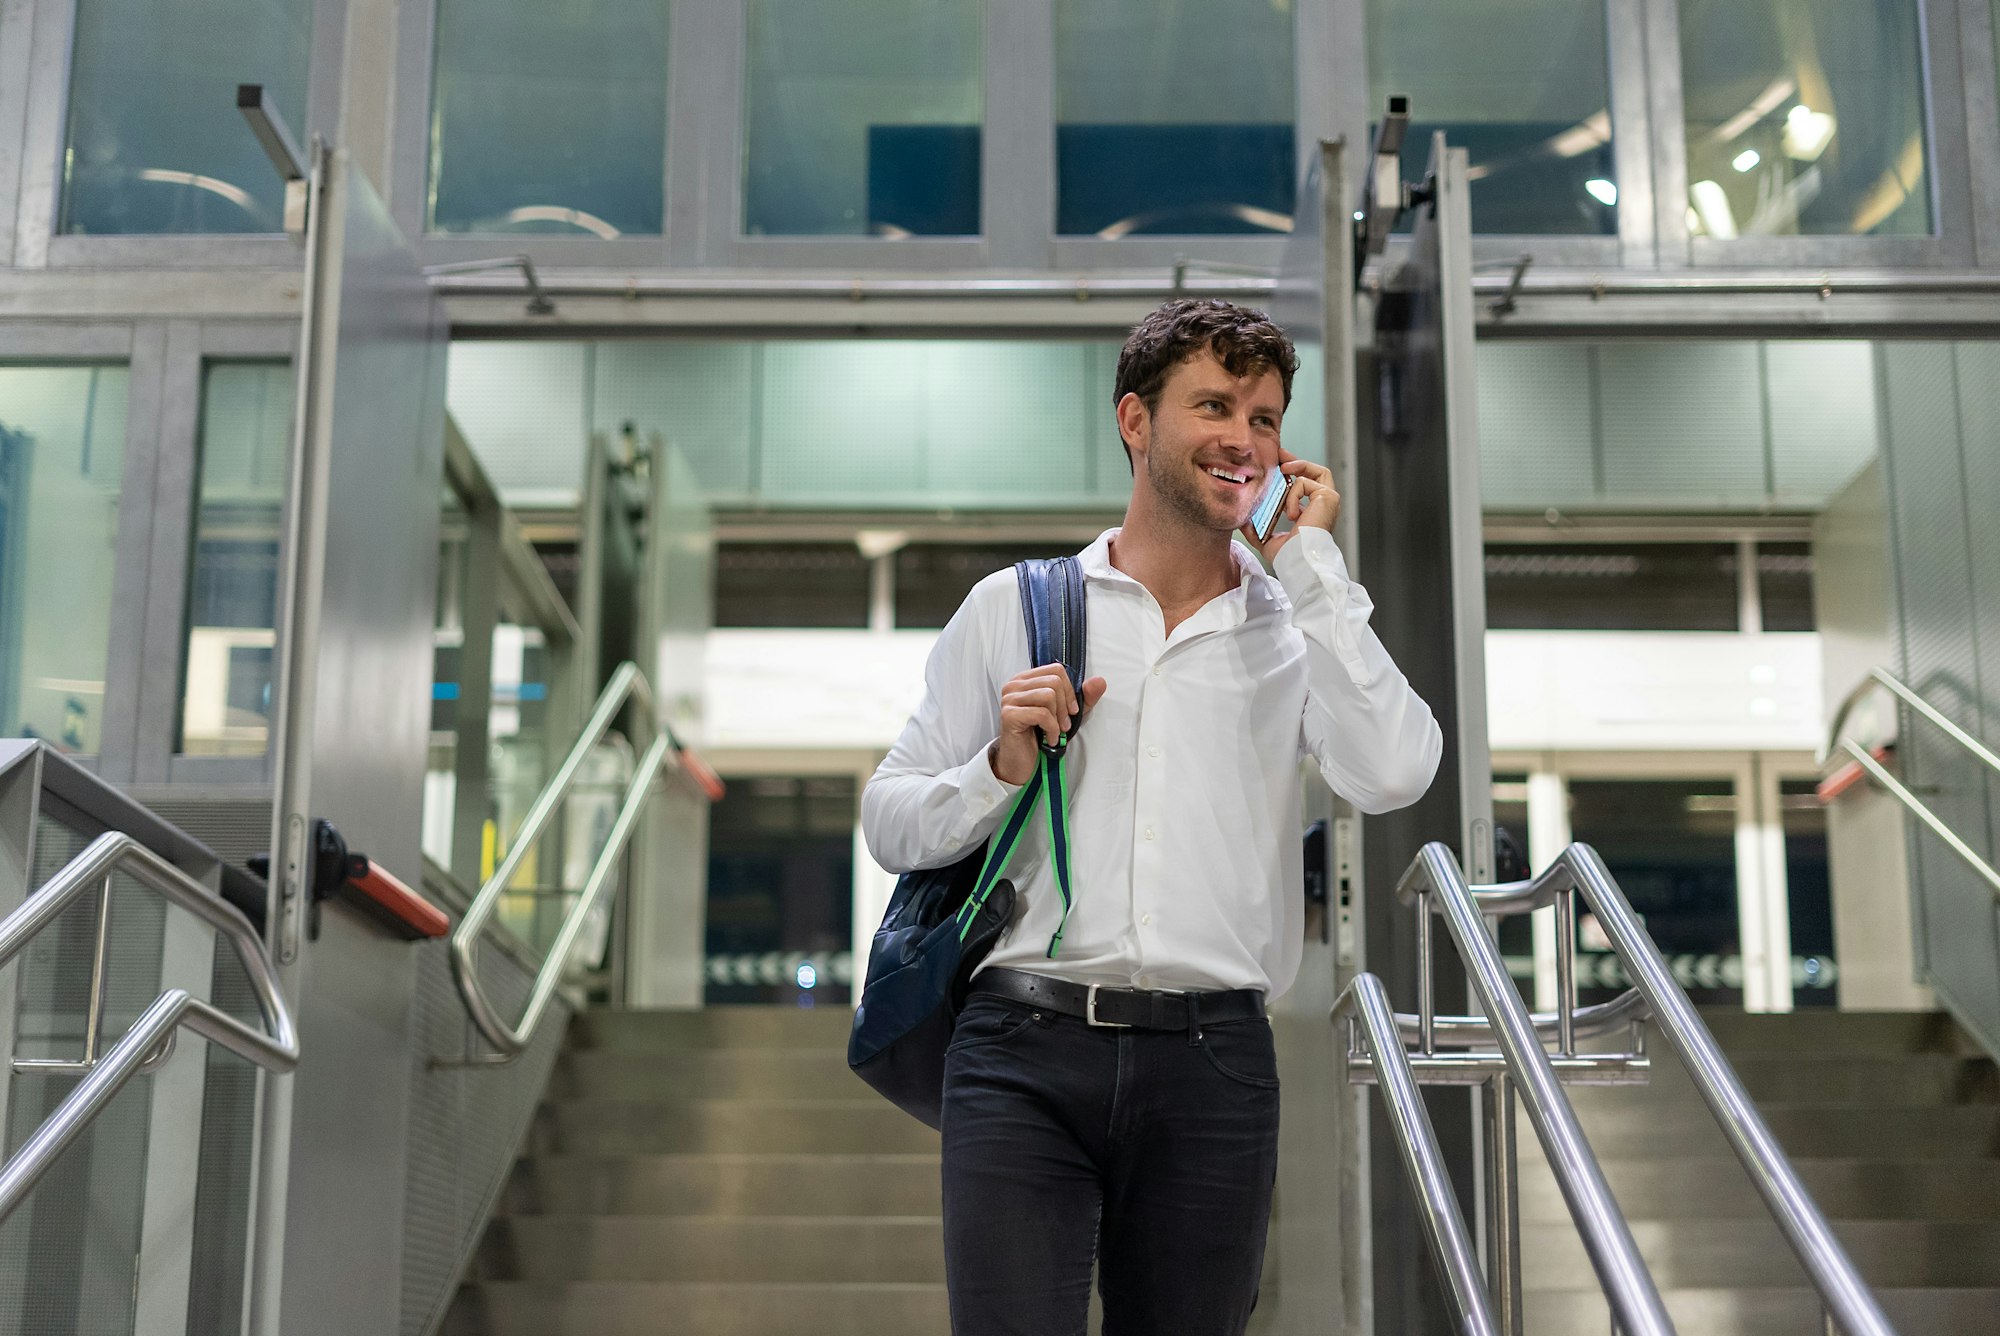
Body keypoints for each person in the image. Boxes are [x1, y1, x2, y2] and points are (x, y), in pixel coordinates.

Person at [861, 298, 1443, 1336]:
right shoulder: (1014, 607)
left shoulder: (1289, 628)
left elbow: (1395, 770)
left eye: (1264, 418)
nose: (1243, 438)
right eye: (1213, 405)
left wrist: (1309, 567)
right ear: (1135, 421)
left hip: (1212, 1058)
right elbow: (889, 820)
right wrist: (995, 769)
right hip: (1019, 1044)